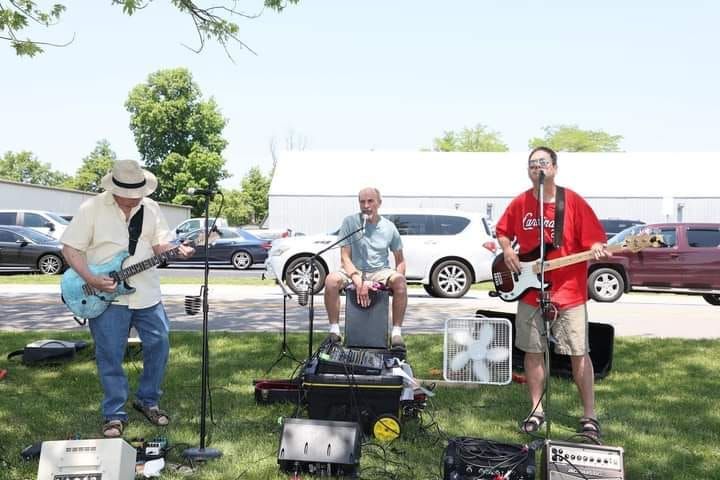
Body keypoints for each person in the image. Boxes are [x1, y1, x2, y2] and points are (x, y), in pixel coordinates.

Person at [61, 160, 194, 438]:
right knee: (109, 355)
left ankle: (148, 401)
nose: (135, 198)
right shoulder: (92, 208)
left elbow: (160, 244)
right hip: (106, 295)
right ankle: (114, 414)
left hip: (147, 293)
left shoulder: (152, 208)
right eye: (129, 193)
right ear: (114, 188)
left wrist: (174, 249)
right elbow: (70, 249)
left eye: (139, 193)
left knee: (159, 346)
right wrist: (92, 279)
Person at [495, 147, 609, 440]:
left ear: (555, 168)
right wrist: (508, 249)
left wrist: (596, 245)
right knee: (532, 353)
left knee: (578, 353)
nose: (537, 168)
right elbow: (503, 230)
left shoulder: (571, 201)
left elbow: (595, 237)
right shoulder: (521, 202)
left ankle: (589, 415)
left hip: (569, 292)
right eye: (532, 164)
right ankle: (536, 410)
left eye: (543, 163)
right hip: (530, 293)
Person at [323, 187, 408, 349]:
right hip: (353, 269)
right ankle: (334, 331)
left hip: (380, 271)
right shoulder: (350, 222)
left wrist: (397, 281)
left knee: (400, 282)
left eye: (370, 201)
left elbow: (400, 260)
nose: (366, 205)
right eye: (362, 201)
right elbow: (345, 257)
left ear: (379, 203)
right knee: (331, 280)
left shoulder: (389, 227)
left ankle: (396, 333)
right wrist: (358, 281)